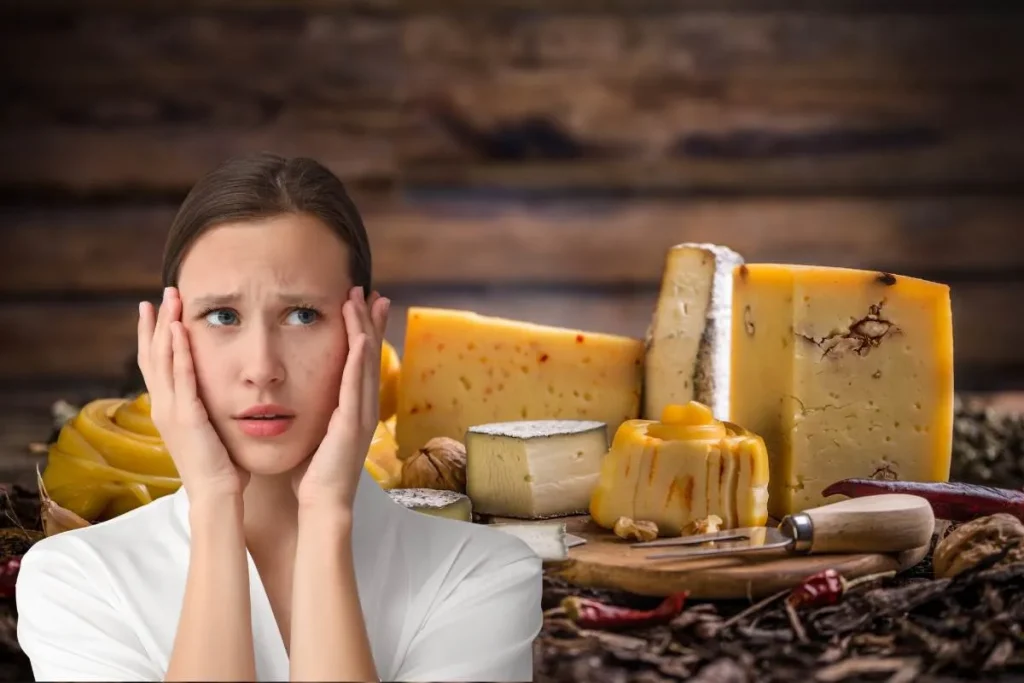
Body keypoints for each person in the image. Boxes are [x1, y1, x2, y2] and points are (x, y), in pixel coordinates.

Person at [15, 152, 544, 682]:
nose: (262, 369)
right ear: (164, 342)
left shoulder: (480, 576)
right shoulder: (79, 580)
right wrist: (214, 508)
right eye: (222, 315)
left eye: (303, 315)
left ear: (366, 334)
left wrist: (325, 520)